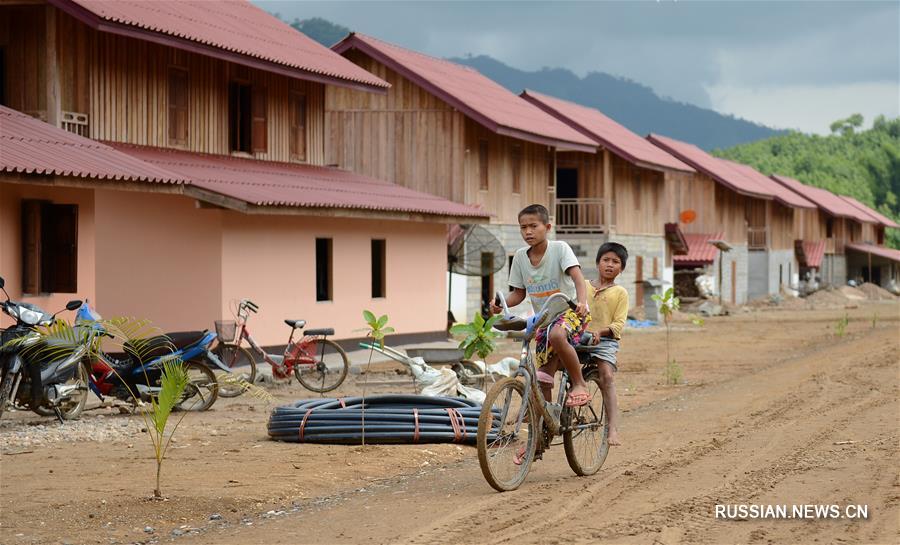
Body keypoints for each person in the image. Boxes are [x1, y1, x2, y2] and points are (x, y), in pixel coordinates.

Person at [490, 204, 591, 408]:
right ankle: (544, 422)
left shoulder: (560, 248)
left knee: (556, 335)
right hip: (544, 319)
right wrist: (500, 303)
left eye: (533, 226)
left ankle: (579, 384)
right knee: (543, 374)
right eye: (523, 227)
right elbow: (518, 294)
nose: (528, 231)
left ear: (548, 226)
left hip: (570, 313)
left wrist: (582, 301)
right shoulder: (520, 256)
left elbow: (578, 278)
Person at [582, 242, 629, 446]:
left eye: (615, 262)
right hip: (579, 337)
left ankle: (613, 429)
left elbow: (618, 324)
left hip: (605, 341)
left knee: (607, 376)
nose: (610, 265)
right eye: (606, 260)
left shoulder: (620, 293)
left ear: (621, 268)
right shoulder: (583, 286)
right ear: (598, 262)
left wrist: (600, 331)